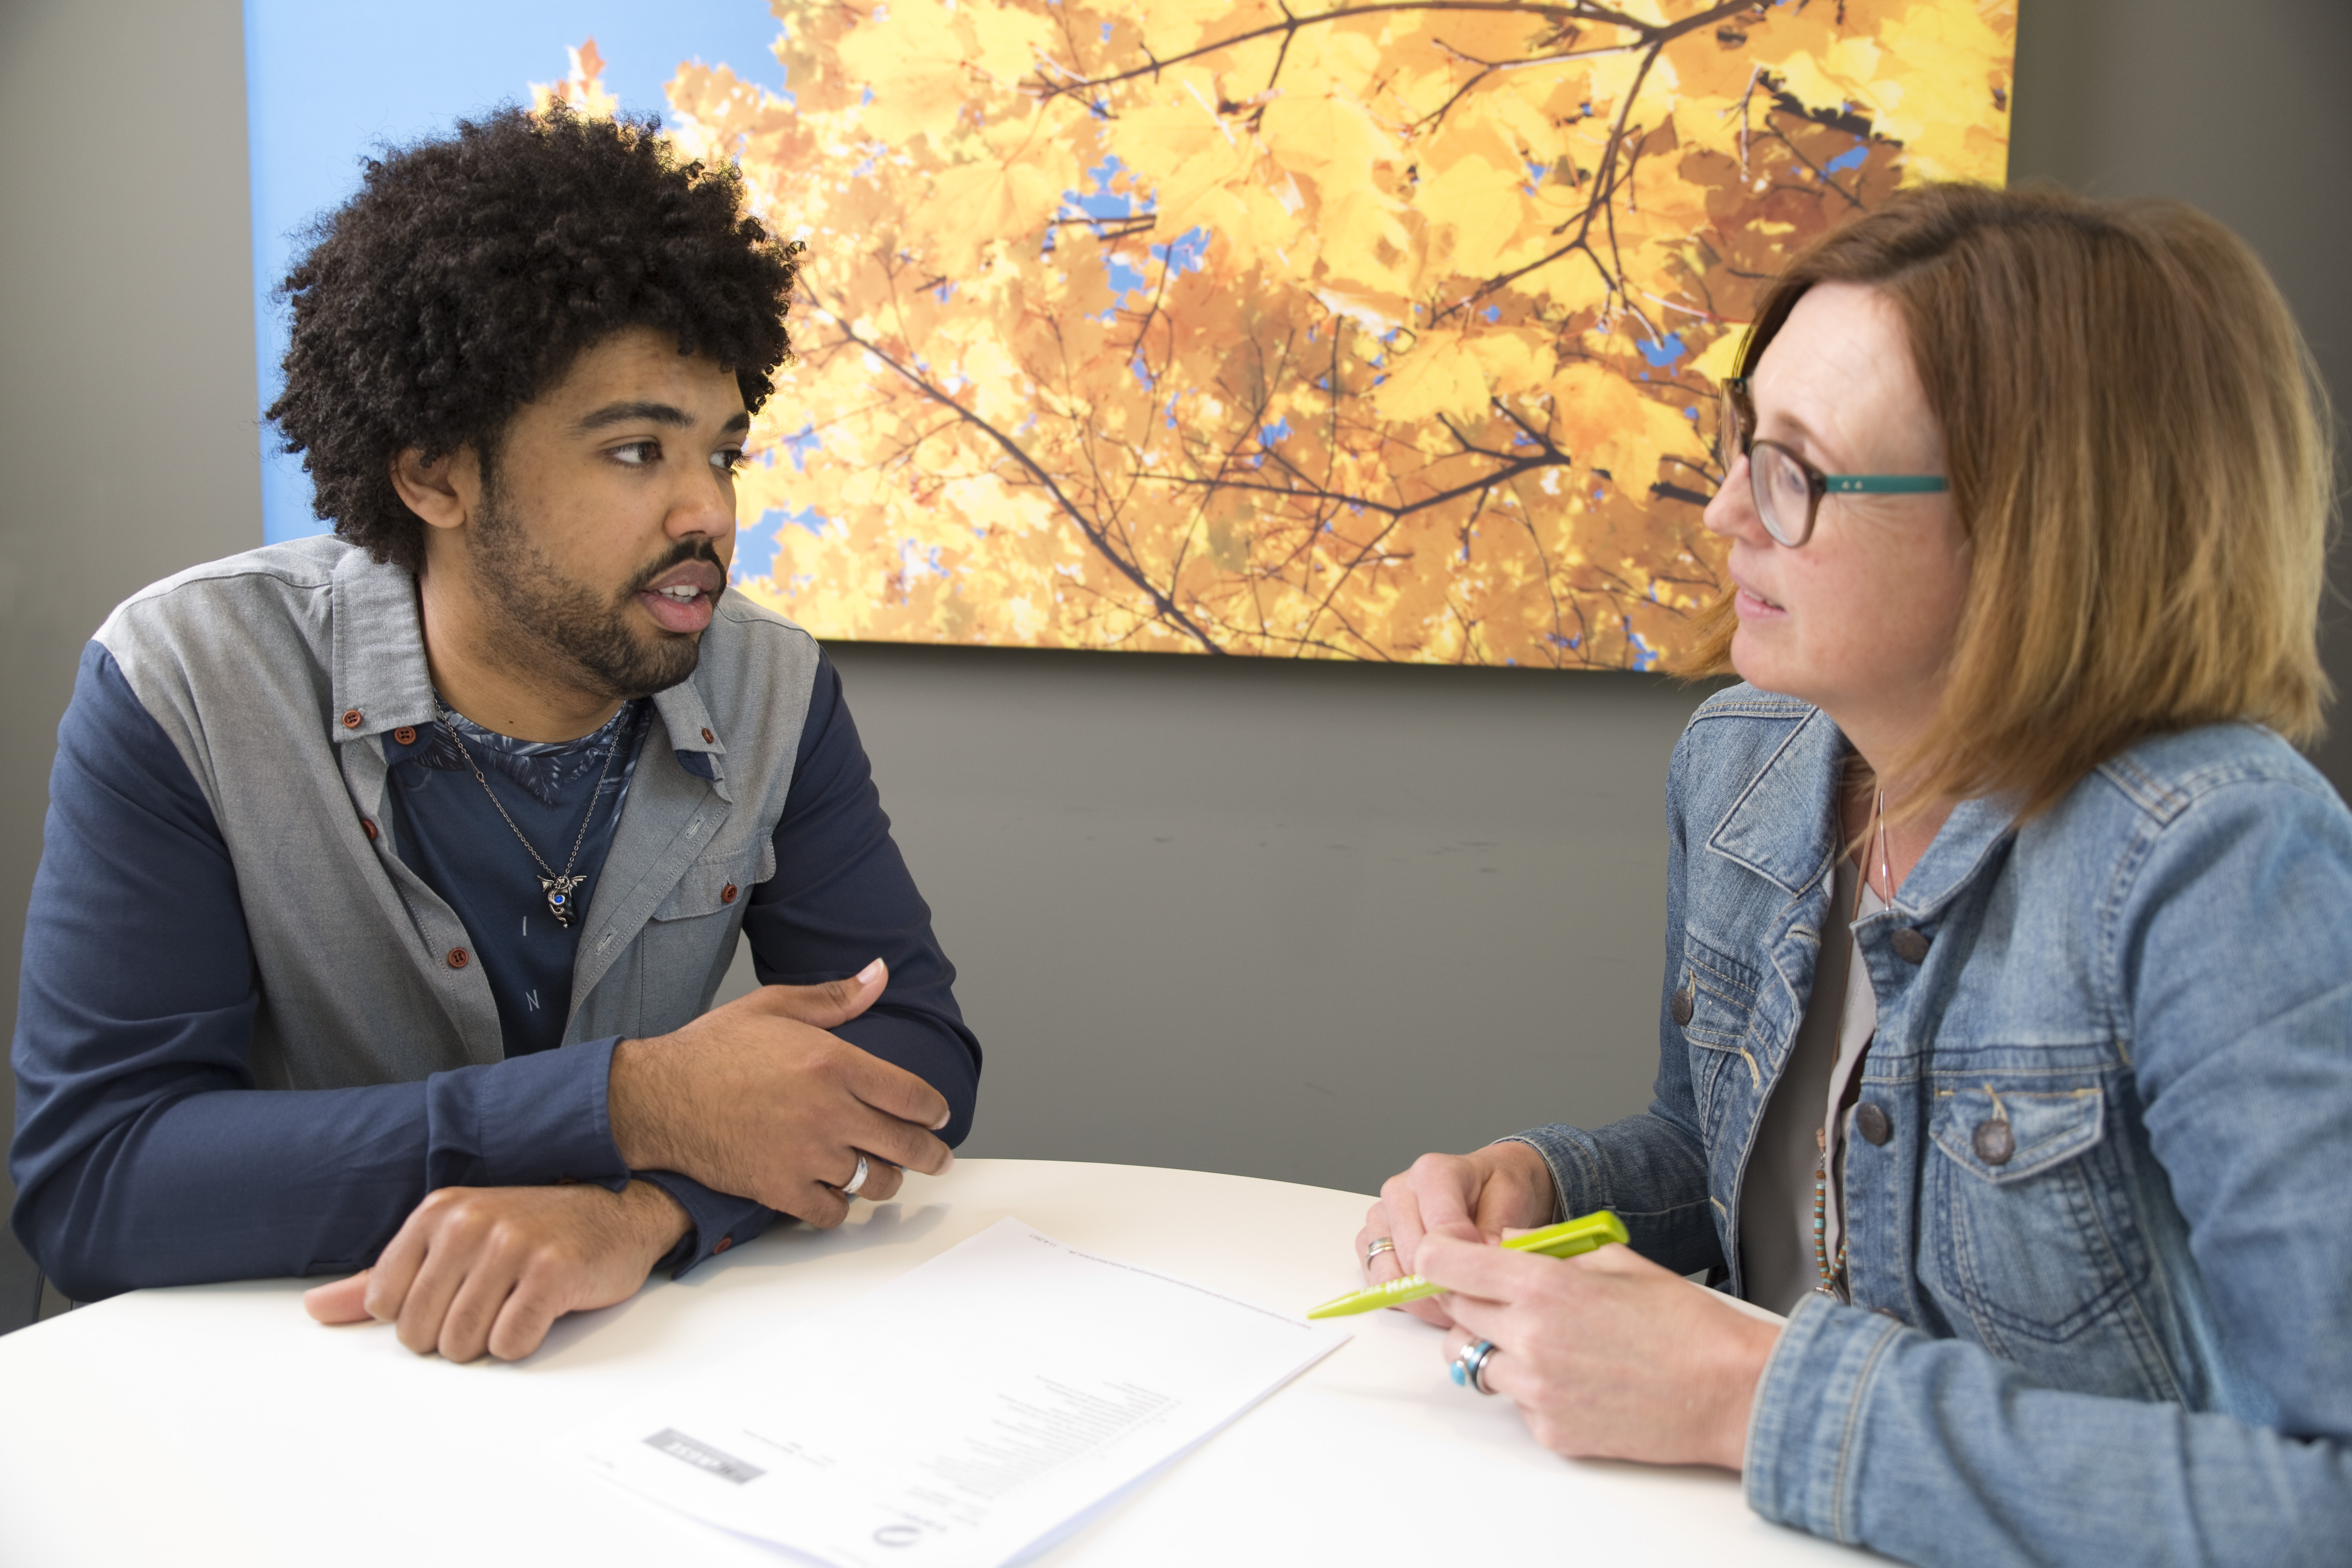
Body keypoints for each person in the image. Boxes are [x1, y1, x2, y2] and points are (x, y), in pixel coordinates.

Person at [1357, 183, 2352, 1565]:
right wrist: (1540, 1182)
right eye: (1739, 446)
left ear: (2032, 523)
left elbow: (2326, 1496)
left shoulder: (2217, 862)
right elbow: (1727, 1167)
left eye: (1795, 473)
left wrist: (1746, 1398)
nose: (1719, 517)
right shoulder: (1746, 762)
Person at [10, 106, 980, 1363]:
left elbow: (913, 1053)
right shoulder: (187, 680)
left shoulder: (772, 685)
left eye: (723, 452)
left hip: (598, 1376)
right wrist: (627, 1102)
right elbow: (103, 1179)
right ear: (436, 476)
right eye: (637, 451)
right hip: (242, 1380)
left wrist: (641, 1213)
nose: (710, 513)